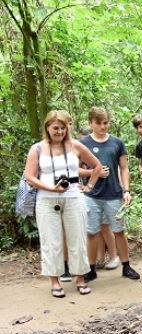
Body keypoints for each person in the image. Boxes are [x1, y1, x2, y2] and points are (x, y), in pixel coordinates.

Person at [23, 110, 102, 298]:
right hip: (46, 199)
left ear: (67, 128)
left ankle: (81, 278)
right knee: (51, 240)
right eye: (55, 128)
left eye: (62, 128)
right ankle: (55, 281)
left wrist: (89, 186)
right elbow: (30, 176)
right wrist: (51, 188)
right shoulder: (38, 149)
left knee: (77, 238)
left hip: (74, 197)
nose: (59, 132)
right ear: (47, 128)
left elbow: (97, 166)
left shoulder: (75, 146)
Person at [80, 107, 140, 283]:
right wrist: (94, 172)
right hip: (92, 195)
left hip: (114, 194)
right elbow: (74, 169)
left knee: (119, 231)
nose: (102, 127)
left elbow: (124, 168)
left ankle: (126, 266)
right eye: (98, 123)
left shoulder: (117, 143)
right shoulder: (83, 143)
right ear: (91, 123)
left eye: (105, 123)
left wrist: (126, 190)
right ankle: (90, 269)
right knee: (92, 232)